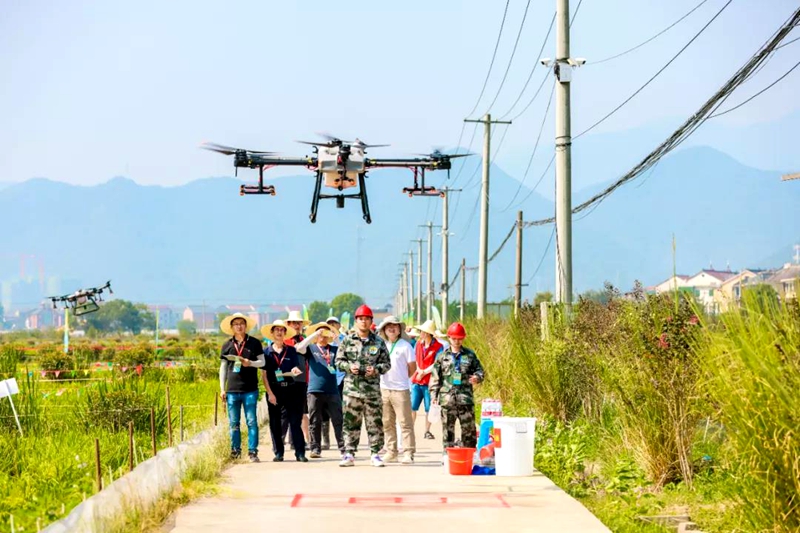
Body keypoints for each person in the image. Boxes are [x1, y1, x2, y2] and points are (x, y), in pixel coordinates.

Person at [335, 304, 390, 467]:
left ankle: (375, 454)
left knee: (375, 423)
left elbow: (387, 364)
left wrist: (376, 369)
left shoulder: (379, 342)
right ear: (356, 321)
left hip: (372, 391)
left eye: (366, 319)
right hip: (352, 391)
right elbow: (338, 361)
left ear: (371, 321)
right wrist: (348, 367)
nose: (363, 322)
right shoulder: (347, 341)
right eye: (360, 319)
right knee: (350, 423)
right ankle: (349, 454)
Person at [430, 322, 485, 463]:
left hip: (465, 398)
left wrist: (477, 377)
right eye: (454, 338)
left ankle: (470, 454)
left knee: (469, 429)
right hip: (447, 399)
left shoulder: (470, 355)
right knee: (447, 429)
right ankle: (447, 454)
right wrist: (433, 396)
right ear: (449, 338)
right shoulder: (442, 356)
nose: (457, 341)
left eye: (459, 338)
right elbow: (435, 378)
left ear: (463, 338)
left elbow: (480, 370)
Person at [219, 313, 266, 462]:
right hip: (232, 390)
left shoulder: (254, 343)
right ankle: (235, 451)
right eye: (236, 324)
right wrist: (222, 388)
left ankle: (252, 452)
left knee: (251, 421)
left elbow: (262, 362)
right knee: (234, 423)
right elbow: (223, 367)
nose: (239, 326)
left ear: (246, 326)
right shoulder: (227, 345)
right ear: (232, 327)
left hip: (250, 389)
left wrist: (250, 363)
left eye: (242, 323)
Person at [295, 322, 345, 459]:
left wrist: (336, 339)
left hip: (332, 390)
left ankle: (343, 448)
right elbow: (299, 348)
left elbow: (347, 352)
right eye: (321, 332)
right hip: (314, 390)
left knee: (338, 420)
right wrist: (313, 335)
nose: (323, 335)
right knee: (315, 421)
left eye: (325, 332)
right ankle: (315, 448)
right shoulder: (311, 348)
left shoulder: (333, 349)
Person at [261, 319, 308, 462]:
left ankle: (300, 453)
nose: (279, 333)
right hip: (274, 389)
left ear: (285, 333)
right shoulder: (266, 352)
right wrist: (270, 393)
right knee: (275, 423)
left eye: (282, 330)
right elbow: (264, 375)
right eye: (277, 330)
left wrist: (295, 370)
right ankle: (278, 452)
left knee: (295, 421)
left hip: (291, 389)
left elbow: (296, 367)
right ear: (272, 333)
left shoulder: (291, 350)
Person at [377, 315, 416, 464]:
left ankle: (408, 453)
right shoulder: (382, 345)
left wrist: (402, 378)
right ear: (384, 330)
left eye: (395, 326)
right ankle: (391, 451)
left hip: (401, 390)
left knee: (405, 423)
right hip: (384, 388)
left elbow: (412, 368)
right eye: (388, 326)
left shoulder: (406, 346)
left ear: (399, 329)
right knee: (387, 422)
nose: (391, 328)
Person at [410, 319, 443, 440]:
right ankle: (410, 430)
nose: (421, 333)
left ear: (429, 333)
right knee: (412, 406)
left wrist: (424, 372)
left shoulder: (438, 347)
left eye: (423, 331)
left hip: (430, 381)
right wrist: (419, 370)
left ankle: (427, 431)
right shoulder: (418, 344)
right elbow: (415, 358)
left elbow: (437, 363)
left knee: (429, 408)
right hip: (417, 379)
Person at [284, 310, 311, 447]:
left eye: (298, 323)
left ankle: (297, 440)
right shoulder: (285, 340)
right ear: (288, 324)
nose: (296, 325)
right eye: (293, 323)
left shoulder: (303, 339)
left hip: (302, 379)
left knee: (300, 412)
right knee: (287, 412)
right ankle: (285, 440)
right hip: (288, 379)